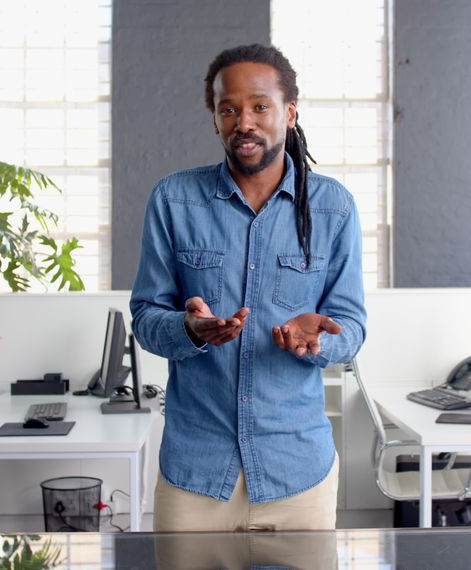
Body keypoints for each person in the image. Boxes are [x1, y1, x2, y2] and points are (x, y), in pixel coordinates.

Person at [129, 44, 367, 532]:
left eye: (260, 106)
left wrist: (318, 339)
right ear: (214, 118)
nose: (245, 121)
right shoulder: (173, 199)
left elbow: (353, 328)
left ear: (289, 113)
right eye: (229, 108)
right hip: (194, 478)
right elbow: (146, 318)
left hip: (297, 478)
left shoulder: (334, 209)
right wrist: (189, 329)